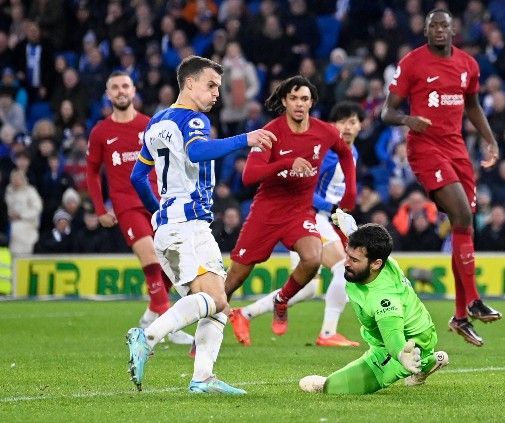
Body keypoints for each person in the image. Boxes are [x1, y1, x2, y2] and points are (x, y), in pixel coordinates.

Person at [126, 56, 275, 394]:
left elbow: (138, 177)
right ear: (189, 84)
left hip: (175, 225)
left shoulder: (155, 123)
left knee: (218, 303)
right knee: (216, 301)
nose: (216, 94)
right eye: (211, 86)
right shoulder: (193, 120)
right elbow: (197, 153)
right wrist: (245, 138)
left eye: (218, 88)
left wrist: (159, 211)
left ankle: (202, 377)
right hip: (186, 227)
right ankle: (147, 336)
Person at [381, 9, 502, 346]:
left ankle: (461, 317)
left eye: (444, 25)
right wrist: (408, 119)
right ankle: (474, 301)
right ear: (425, 29)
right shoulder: (412, 63)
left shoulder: (468, 65)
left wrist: (490, 141)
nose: (438, 30)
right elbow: (386, 111)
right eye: (432, 25)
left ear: (453, 30)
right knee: (462, 216)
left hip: (458, 151)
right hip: (425, 150)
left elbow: (473, 106)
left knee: (465, 226)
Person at [223, 75, 357, 338]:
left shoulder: (325, 131)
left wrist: (350, 194)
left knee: (312, 257)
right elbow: (249, 176)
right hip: (267, 211)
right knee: (233, 279)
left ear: (311, 103)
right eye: (293, 98)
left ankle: (281, 300)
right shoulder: (270, 132)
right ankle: (203, 334)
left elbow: (345, 153)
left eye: (304, 99)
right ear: (284, 101)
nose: (299, 104)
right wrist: (287, 163)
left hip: (300, 210)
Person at [86, 71, 194, 346]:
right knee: (151, 258)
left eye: (125, 86)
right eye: (115, 87)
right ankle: (167, 324)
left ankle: (150, 313)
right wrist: (100, 209)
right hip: (127, 206)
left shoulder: (150, 125)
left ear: (133, 90)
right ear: (108, 94)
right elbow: (92, 173)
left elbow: (171, 162)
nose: (121, 91)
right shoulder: (101, 132)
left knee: (171, 261)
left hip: (158, 202)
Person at [298, 210, 448, 394]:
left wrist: (401, 355)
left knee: (332, 388)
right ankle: (428, 358)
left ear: (376, 264)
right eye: (347, 255)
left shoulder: (383, 300)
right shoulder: (381, 259)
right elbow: (366, 244)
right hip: (413, 332)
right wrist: (352, 231)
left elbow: (393, 336)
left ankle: (425, 362)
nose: (346, 263)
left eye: (354, 260)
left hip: (406, 349)